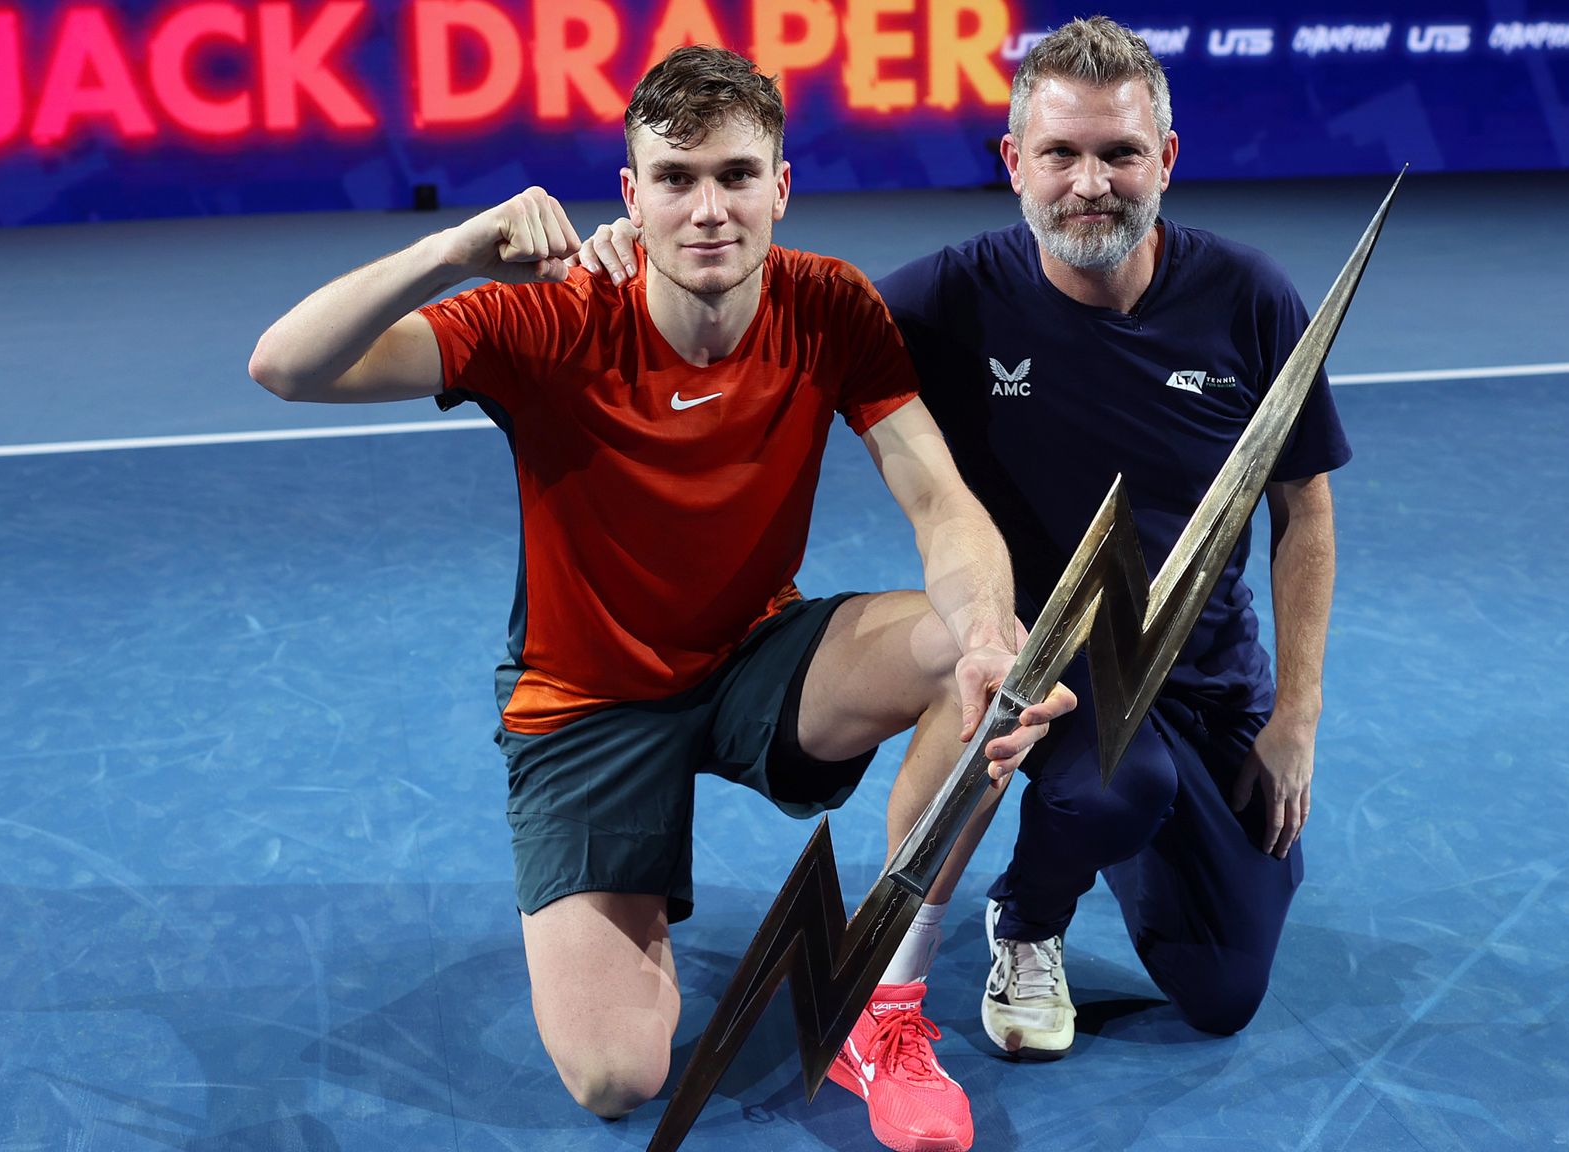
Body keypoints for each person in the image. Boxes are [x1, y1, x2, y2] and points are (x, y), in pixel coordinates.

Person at [247, 45, 1072, 1152]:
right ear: (630, 197)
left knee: (981, 666)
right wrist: (455, 246)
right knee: (613, 1077)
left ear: (779, 187)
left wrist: (981, 630)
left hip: (752, 656)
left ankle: (882, 1006)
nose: (708, 209)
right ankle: (605, 890)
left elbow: (936, 498)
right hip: (584, 703)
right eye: (675, 180)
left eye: (736, 176)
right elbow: (284, 366)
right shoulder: (549, 321)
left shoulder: (827, 306)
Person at [574, 14, 1348, 1087]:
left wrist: (1296, 715)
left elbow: (1300, 506)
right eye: (1059, 154)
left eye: (1119, 152)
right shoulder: (944, 301)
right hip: (1044, 668)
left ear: (1163, 159)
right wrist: (641, 252)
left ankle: (1134, 829)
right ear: (1013, 165)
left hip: (1204, 678)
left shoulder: (1249, 299)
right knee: (1114, 789)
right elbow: (766, 322)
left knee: (1222, 992)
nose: (1089, 182)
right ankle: (1026, 922)